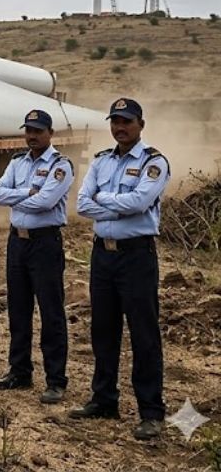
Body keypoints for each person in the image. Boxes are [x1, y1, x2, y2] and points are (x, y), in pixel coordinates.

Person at [71, 98, 171, 441]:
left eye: (126, 121)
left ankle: (151, 413)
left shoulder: (153, 162)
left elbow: (140, 203)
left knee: (143, 335)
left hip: (136, 257)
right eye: (115, 121)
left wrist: (104, 202)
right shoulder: (101, 161)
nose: (119, 127)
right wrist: (116, 206)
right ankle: (104, 400)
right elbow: (82, 203)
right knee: (103, 330)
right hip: (103, 256)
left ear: (140, 124)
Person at [0, 109, 74, 405]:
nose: (32, 136)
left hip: (45, 244)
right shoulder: (17, 162)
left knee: (51, 313)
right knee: (18, 310)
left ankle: (55, 381)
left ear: (50, 133)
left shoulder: (61, 165)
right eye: (28, 130)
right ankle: (19, 371)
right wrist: (29, 191)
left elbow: (46, 201)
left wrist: (21, 196)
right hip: (18, 242)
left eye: (38, 130)